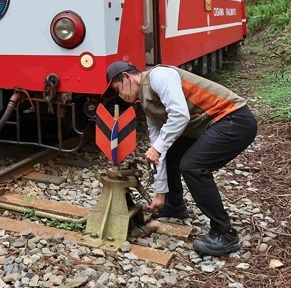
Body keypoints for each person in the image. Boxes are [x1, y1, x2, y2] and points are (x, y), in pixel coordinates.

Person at [105, 60, 258, 257]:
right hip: (212, 125)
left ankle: (225, 233)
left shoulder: (159, 76)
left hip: (233, 119)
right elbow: (158, 146)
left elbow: (179, 115)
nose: (121, 96)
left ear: (126, 77)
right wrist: (160, 194)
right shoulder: (146, 104)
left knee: (193, 166)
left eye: (118, 90)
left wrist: (158, 149)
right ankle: (174, 205)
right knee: (172, 153)